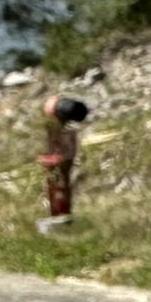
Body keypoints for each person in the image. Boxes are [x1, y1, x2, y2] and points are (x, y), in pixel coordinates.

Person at [39, 94, 88, 222]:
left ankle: (61, 214)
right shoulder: (53, 115)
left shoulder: (54, 110)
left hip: (58, 155)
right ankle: (60, 214)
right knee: (59, 185)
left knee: (59, 185)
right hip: (57, 156)